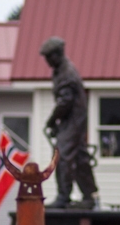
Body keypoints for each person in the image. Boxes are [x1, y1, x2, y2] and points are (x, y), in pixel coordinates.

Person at [41, 37, 97, 209]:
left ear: (58, 54)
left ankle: (64, 196)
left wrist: (51, 120)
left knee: (62, 156)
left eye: (49, 57)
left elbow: (66, 102)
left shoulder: (66, 73)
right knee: (80, 158)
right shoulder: (59, 71)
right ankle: (89, 196)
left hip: (73, 121)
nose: (47, 61)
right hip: (71, 121)